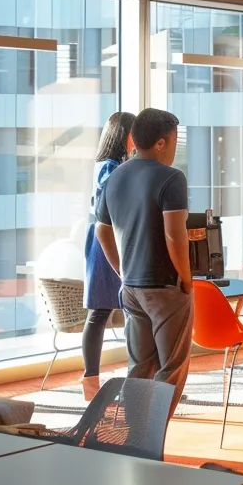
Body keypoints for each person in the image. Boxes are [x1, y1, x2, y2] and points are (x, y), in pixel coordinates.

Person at [94, 108, 195, 402]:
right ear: (161, 143)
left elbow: (102, 231)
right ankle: (152, 438)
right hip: (165, 285)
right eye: (175, 142)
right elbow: (175, 235)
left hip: (132, 287)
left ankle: (134, 436)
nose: (176, 150)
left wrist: (122, 271)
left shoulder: (115, 176)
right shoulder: (172, 178)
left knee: (139, 366)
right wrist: (186, 279)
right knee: (171, 368)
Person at [80, 111, 135, 400]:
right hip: (106, 242)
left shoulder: (119, 164)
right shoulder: (108, 166)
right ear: (123, 135)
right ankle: (91, 381)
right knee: (99, 312)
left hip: (119, 237)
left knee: (131, 312)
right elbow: (112, 194)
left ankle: (138, 379)